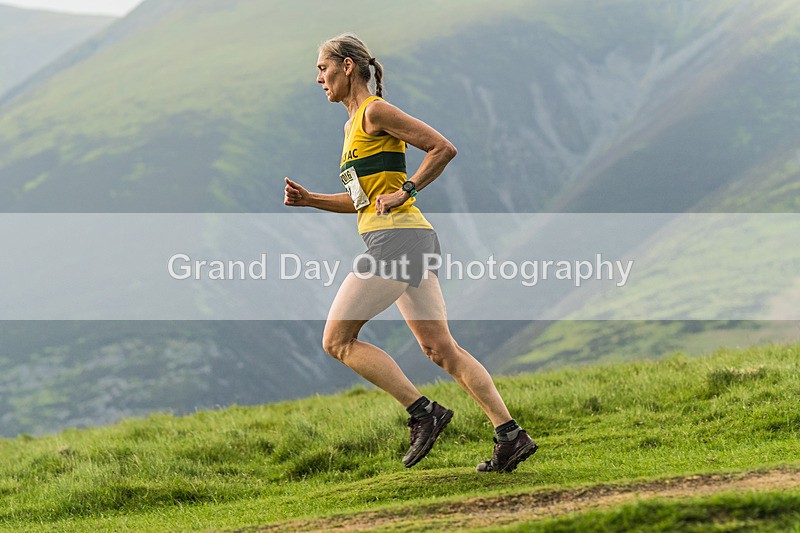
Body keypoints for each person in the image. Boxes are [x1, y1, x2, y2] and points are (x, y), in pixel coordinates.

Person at [283, 32, 537, 472]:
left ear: (347, 66)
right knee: (440, 349)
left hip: (397, 240)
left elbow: (442, 148)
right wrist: (311, 200)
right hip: (409, 240)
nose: (318, 79)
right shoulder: (351, 127)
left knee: (337, 341)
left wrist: (407, 190)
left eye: (322, 69)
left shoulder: (375, 111)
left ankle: (423, 413)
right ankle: (510, 436)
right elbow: (362, 201)